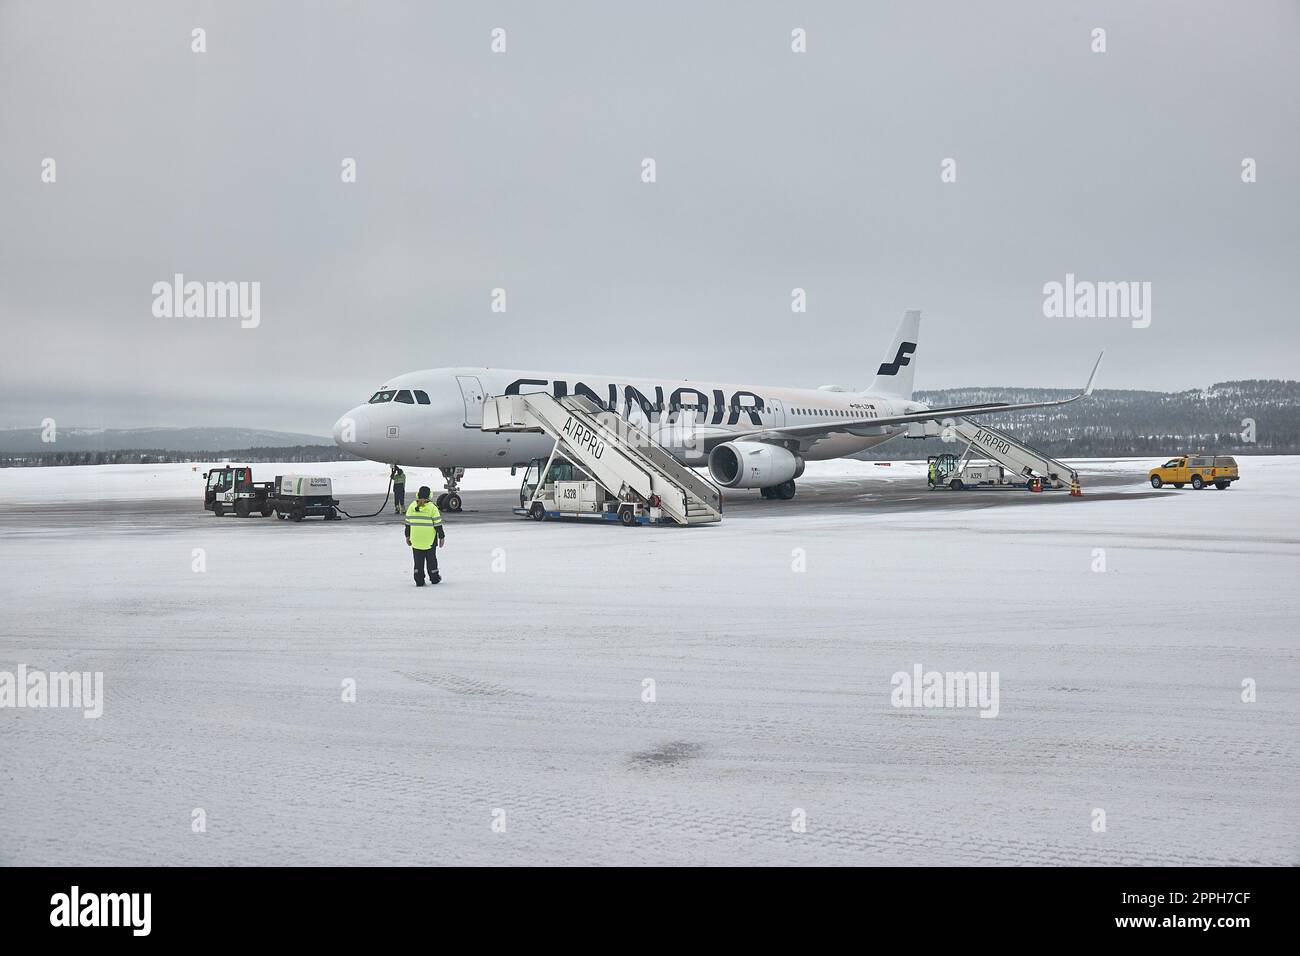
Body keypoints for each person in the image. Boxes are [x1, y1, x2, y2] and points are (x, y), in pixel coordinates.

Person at [404, 485, 445, 586]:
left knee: (418, 561)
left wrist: (407, 536)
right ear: (429, 495)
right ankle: (434, 578)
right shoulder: (432, 508)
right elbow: (438, 524)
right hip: (429, 541)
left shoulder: (411, 507)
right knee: (431, 560)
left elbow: (408, 524)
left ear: (418, 494)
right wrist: (441, 537)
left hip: (416, 540)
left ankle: (419, 580)